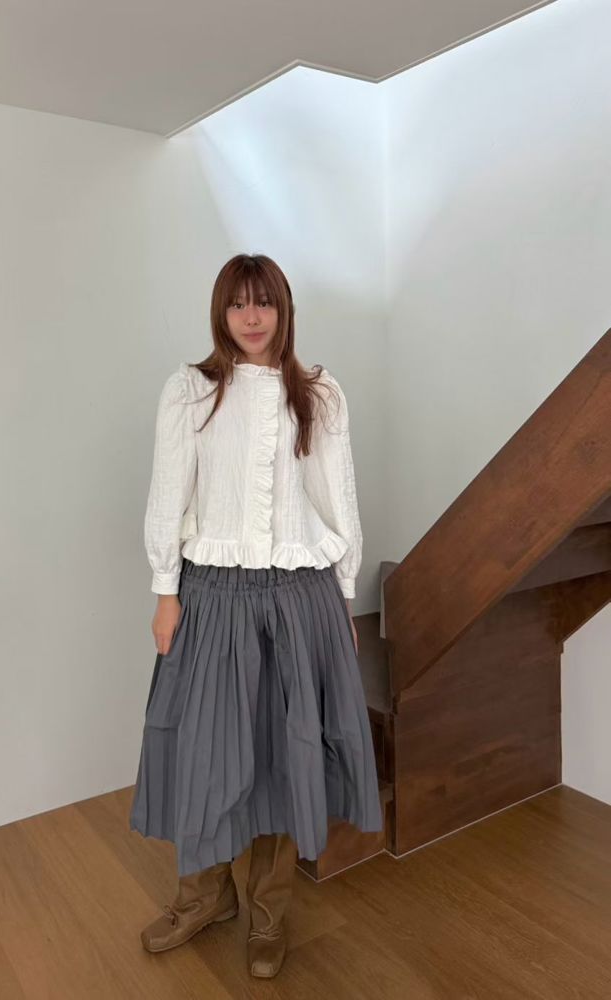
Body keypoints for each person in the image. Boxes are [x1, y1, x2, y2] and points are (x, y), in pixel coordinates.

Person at [129, 253, 382, 979]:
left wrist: (342, 593)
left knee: (284, 755)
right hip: (212, 596)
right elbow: (168, 493)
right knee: (205, 751)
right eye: (237, 303)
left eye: (263, 302)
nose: (250, 316)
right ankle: (204, 896)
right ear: (221, 311)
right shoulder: (191, 391)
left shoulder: (319, 393)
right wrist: (166, 590)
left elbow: (337, 496)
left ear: (282, 309)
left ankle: (269, 911)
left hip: (301, 598)